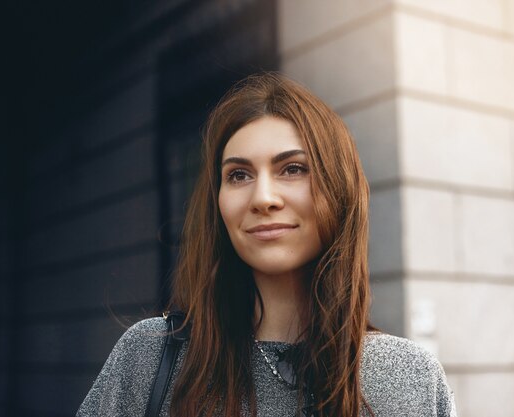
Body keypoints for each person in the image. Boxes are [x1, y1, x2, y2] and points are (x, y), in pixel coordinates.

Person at [76, 72, 457, 417]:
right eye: (238, 175)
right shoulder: (150, 357)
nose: (263, 197)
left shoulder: (411, 379)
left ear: (338, 189)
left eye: (292, 169)